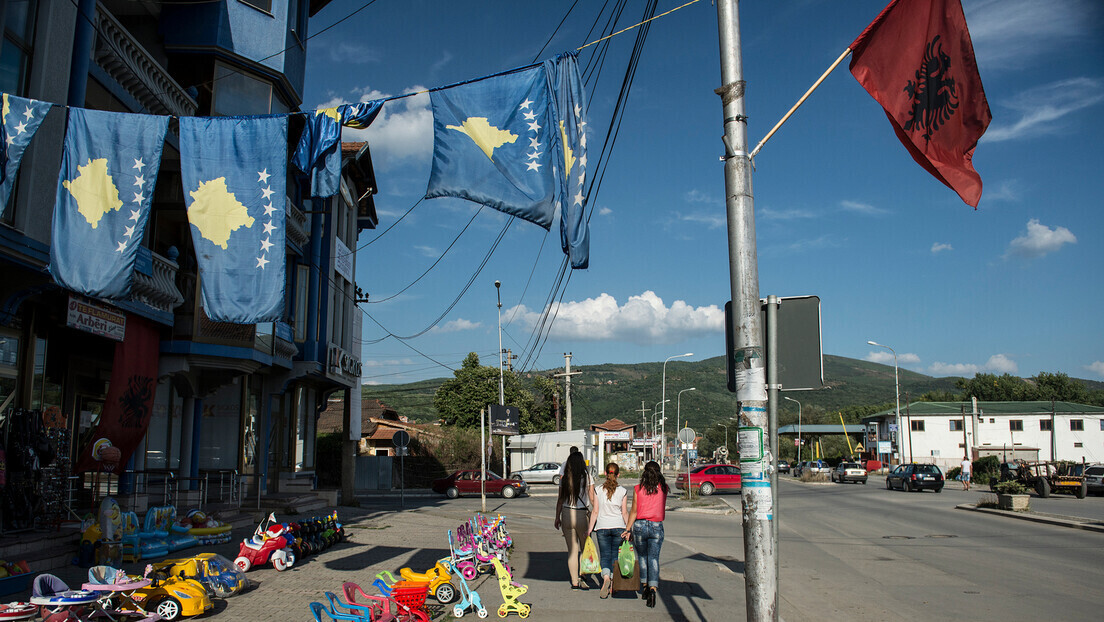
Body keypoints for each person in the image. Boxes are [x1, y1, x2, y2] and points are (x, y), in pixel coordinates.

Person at [622, 460, 668, 608]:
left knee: (642, 557)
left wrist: (628, 529)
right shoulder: (664, 488)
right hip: (656, 526)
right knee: (653, 558)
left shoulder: (638, 489)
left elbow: (634, 511)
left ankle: (645, 586)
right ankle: (653, 589)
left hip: (640, 526)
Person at [554, 451, 597, 590]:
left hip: (566, 513)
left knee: (572, 550)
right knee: (584, 548)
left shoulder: (564, 478)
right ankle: (582, 574)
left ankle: (574, 581)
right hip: (581, 515)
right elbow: (591, 498)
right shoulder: (588, 477)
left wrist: (557, 517)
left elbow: (560, 499)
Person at [586, 462, 629, 599]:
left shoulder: (598, 490)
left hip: (602, 527)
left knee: (604, 555)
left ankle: (605, 579)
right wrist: (628, 529)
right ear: (618, 474)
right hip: (619, 527)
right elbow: (624, 513)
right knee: (615, 556)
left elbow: (595, 511)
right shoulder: (622, 491)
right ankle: (614, 580)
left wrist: (589, 529)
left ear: (605, 473)